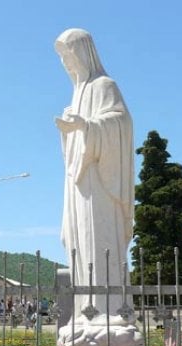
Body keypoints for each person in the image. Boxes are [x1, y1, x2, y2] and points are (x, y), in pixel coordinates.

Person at [54, 28, 134, 319]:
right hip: (77, 184)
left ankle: (110, 313)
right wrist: (70, 130)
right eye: (61, 57)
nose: (66, 62)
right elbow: (73, 146)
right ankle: (85, 312)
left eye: (69, 54)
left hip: (100, 182)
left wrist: (86, 126)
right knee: (77, 245)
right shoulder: (76, 95)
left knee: (99, 244)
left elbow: (121, 123)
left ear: (84, 52)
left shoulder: (104, 86)